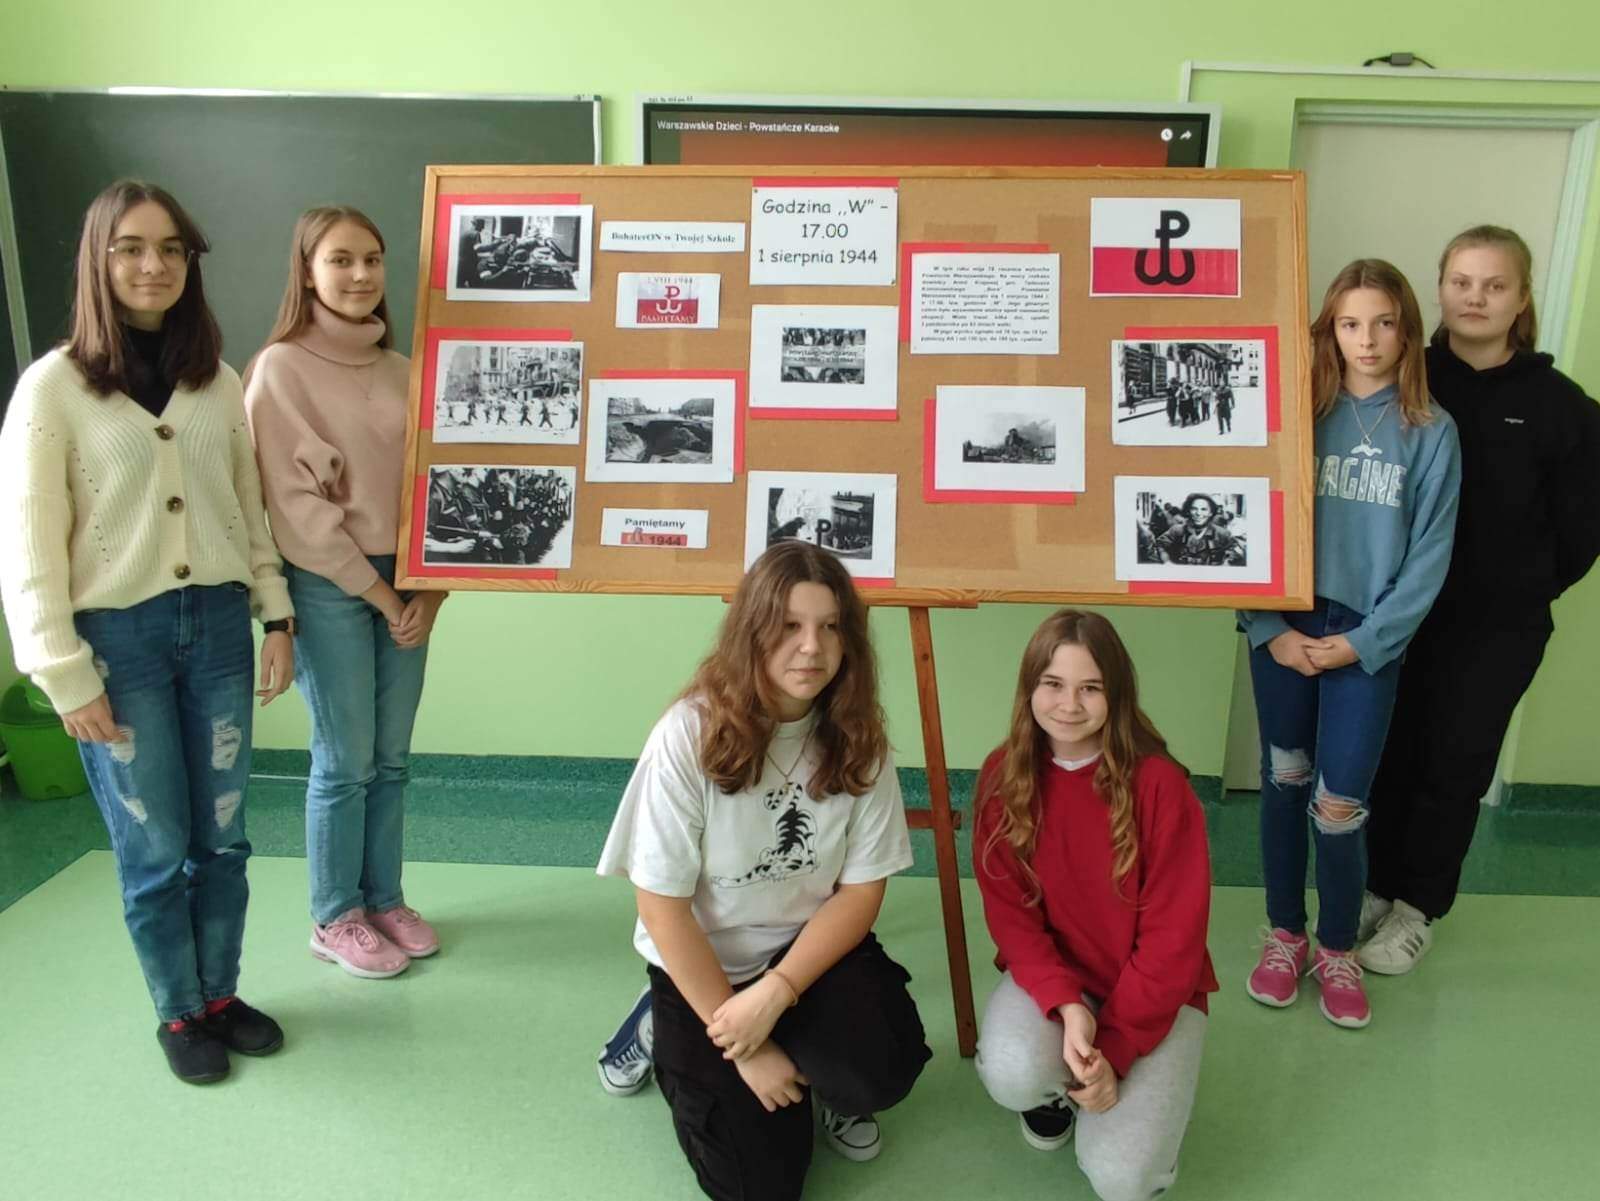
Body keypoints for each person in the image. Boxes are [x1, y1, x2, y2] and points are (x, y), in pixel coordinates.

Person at [0, 180, 293, 1083]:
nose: (153, 264)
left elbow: (246, 508)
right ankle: (177, 1010)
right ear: (98, 260)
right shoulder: (53, 389)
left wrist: (276, 612)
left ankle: (219, 995)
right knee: (155, 847)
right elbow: (29, 544)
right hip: (115, 643)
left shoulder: (218, 381)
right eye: (130, 247)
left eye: (171, 248)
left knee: (225, 835)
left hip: (217, 629)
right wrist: (61, 670)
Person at [597, 541, 930, 1201]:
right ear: (752, 630)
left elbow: (861, 891)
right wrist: (745, 1045)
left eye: (830, 626)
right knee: (760, 1189)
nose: (811, 647)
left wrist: (778, 991)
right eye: (789, 625)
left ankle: (818, 1075)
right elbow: (661, 907)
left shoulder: (857, 736)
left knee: (881, 1069)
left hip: (806, 957)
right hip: (704, 967)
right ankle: (659, 1024)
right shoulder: (687, 735)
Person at [1360, 227, 1600, 973]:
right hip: (1395, 613)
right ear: (1439, 288)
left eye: (1495, 285)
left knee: (1454, 764)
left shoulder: (1564, 408)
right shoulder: (1404, 379)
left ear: (1521, 299)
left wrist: (1515, 586)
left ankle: (1415, 909)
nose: (1475, 297)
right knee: (1386, 755)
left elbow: (1581, 531)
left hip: (1496, 627)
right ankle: (1374, 887)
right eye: (1462, 281)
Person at [1238, 259, 1461, 1028]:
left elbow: (1430, 556)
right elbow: (1246, 518)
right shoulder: (1296, 411)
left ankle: (1336, 945)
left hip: (1368, 638)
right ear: (1329, 331)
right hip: (1286, 626)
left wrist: (1366, 642)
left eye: (1384, 323)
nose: (1367, 339)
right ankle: (1284, 933)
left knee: (1338, 804)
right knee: (1285, 779)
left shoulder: (1431, 431)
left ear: (1408, 330)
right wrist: (1268, 627)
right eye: (1350, 323)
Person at [245, 206, 447, 979]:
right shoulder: (281, 370)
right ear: (307, 271)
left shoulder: (405, 370)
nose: (360, 274)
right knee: (344, 758)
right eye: (340, 259)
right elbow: (297, 512)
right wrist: (383, 595)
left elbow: (444, 488)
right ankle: (335, 916)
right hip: (330, 580)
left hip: (409, 578)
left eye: (372, 258)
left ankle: (384, 899)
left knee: (391, 758)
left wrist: (430, 592)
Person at [973, 610, 1216, 1201]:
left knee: (1122, 1180)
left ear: (1117, 694)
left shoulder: (1160, 786)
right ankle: (1058, 1093)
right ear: (1029, 687)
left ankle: (1129, 1103)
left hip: (1157, 996)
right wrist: (1064, 1003)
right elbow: (1011, 917)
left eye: (1090, 688)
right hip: (1066, 983)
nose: (1069, 705)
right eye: (1053, 684)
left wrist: (1116, 1049)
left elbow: (1173, 944)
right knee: (1010, 1068)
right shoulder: (1003, 775)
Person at [1155, 493, 1243, 566]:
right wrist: (1167, 562)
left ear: (1210, 513)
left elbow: (1237, 552)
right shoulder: (1177, 530)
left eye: (1204, 509)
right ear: (1189, 511)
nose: (1198, 513)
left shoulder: (1223, 534)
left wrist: (1226, 564)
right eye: (1194, 509)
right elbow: (1159, 544)